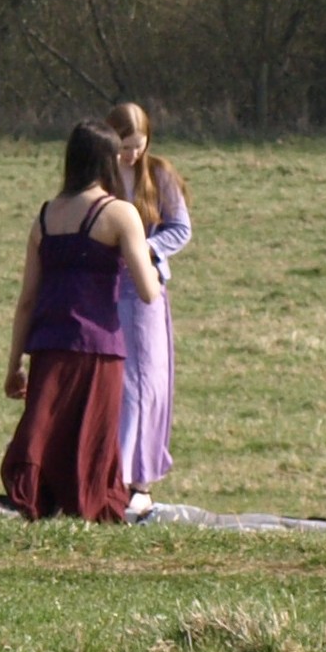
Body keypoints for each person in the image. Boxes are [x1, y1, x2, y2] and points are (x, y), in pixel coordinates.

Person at [1, 121, 160, 522]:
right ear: (108, 161)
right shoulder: (119, 213)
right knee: (93, 437)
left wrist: (14, 364)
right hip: (98, 346)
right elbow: (147, 290)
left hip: (49, 343)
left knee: (47, 431)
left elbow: (27, 300)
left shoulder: (45, 216)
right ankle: (91, 503)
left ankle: (40, 503)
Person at [105, 102, 192, 514]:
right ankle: (112, 472)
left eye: (138, 146)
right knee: (116, 382)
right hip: (104, 286)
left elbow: (180, 228)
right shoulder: (99, 177)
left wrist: (144, 249)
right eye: (125, 147)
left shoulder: (159, 175)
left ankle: (138, 477)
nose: (132, 154)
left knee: (145, 383)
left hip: (144, 290)